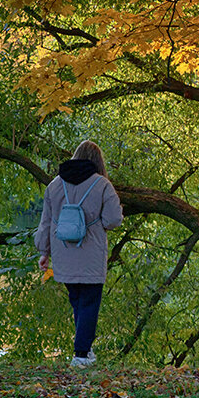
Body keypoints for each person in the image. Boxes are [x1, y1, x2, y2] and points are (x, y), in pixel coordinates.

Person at [35, 140, 123, 366]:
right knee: (89, 303)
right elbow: (114, 220)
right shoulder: (102, 185)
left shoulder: (54, 185)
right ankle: (81, 355)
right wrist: (99, 222)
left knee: (78, 302)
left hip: (63, 253)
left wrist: (44, 251)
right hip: (91, 253)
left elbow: (46, 222)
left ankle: (84, 350)